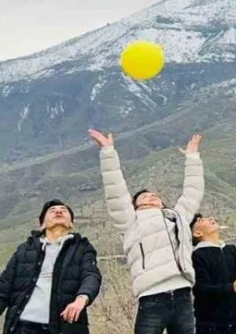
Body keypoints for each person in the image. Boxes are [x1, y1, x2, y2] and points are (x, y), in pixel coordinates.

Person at [91, 129, 204, 334]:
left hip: (183, 295)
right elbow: (116, 191)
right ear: (135, 206)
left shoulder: (176, 217)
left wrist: (193, 157)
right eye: (144, 197)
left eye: (155, 195)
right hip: (152, 297)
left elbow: (193, 191)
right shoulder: (130, 222)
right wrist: (108, 152)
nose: (152, 197)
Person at [0, 200, 101, 334]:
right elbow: (3, 288)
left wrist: (82, 298)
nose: (58, 212)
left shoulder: (83, 249)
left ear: (71, 224)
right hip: (22, 326)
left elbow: (91, 275)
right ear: (42, 224)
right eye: (52, 211)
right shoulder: (24, 250)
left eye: (63, 210)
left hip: (64, 327)